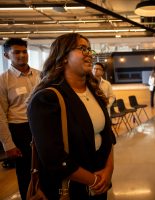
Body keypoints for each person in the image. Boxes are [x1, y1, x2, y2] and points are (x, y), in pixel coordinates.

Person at [27, 33, 115, 199]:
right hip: (69, 189)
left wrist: (108, 171)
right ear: (63, 56)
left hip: (99, 182)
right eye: (82, 48)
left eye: (89, 49)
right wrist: (94, 180)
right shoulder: (46, 99)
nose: (89, 53)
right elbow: (54, 158)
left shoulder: (95, 91)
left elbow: (107, 135)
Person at [0, 38, 40, 199]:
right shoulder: (3, 80)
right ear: (6, 55)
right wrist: (8, 144)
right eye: (16, 52)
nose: (22, 55)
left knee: (47, 168)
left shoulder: (40, 75)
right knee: (25, 173)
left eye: (24, 51)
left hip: (41, 127)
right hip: (20, 129)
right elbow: (0, 114)